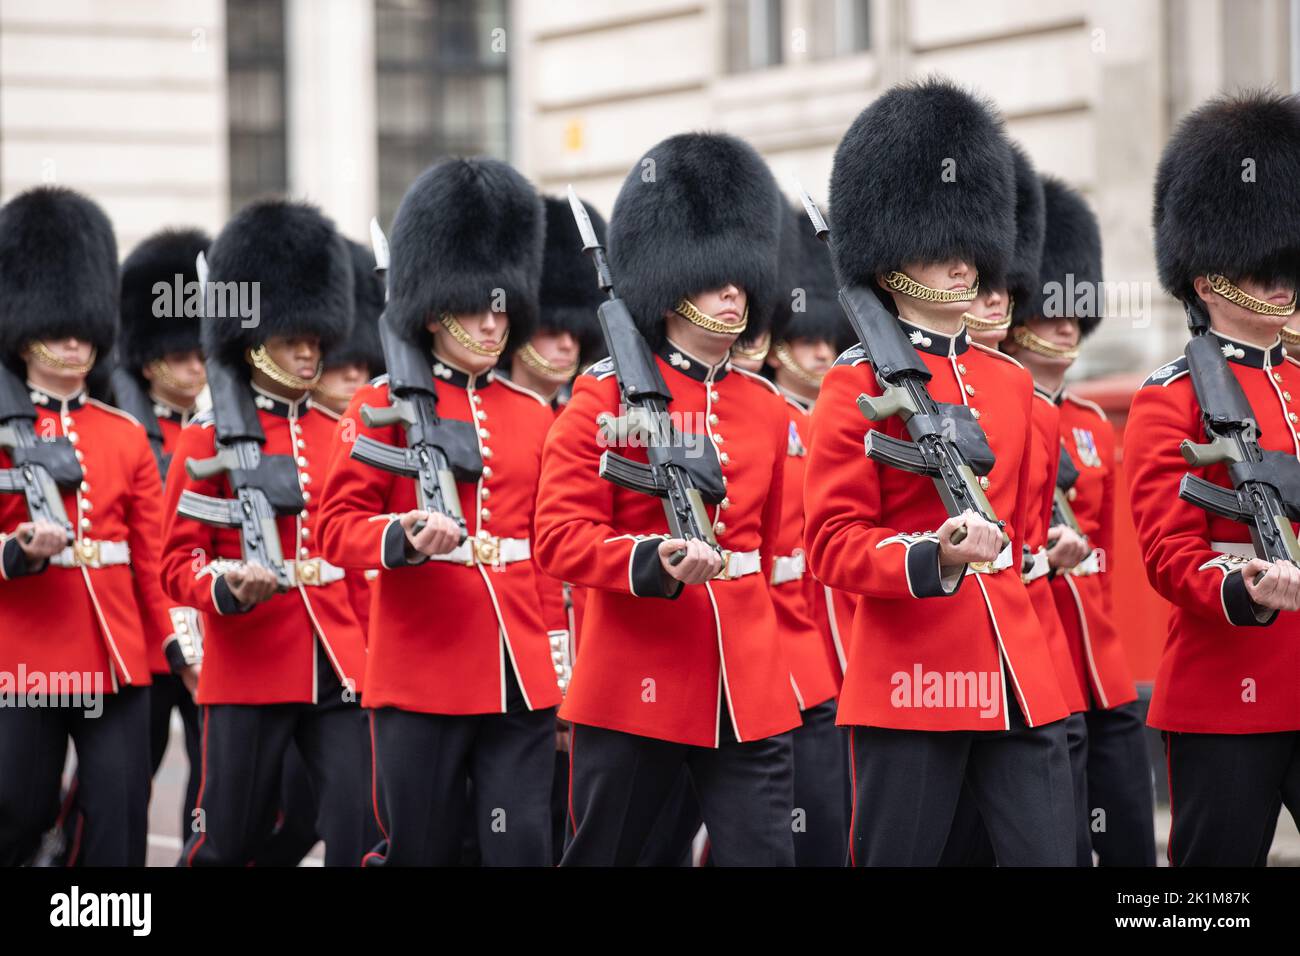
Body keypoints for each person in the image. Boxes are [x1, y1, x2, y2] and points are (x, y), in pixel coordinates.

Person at [805, 77, 1075, 866]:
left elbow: (1021, 537)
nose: (963, 268)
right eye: (939, 250)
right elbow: (830, 543)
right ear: (894, 264)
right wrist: (932, 555)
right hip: (913, 684)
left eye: (969, 249)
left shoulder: (1014, 386)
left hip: (1021, 680)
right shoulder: (852, 385)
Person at [535, 131, 801, 867]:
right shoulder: (601, 397)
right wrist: (650, 559)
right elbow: (558, 536)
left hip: (745, 685)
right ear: (672, 279)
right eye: (716, 278)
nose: (734, 293)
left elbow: (774, 550)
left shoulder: (766, 407)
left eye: (742, 279)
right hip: (633, 683)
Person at [319, 158, 563, 866]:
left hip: (517, 671)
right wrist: (403, 536)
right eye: (476, 310)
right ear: (433, 308)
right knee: (420, 851)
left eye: (501, 310)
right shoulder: (377, 407)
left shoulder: (532, 414)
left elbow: (547, 549)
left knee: (518, 848)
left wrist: (559, 661)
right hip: (422, 670)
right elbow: (336, 530)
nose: (493, 326)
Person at [160, 198, 374, 866]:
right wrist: (227, 587)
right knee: (228, 838)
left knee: (360, 825)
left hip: (337, 665)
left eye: (315, 337)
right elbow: (176, 564)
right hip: (250, 664)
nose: (310, 351)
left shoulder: (342, 434)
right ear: (254, 340)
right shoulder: (205, 436)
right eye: (292, 339)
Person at [1127, 89, 1300, 865]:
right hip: (1228, 696)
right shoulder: (1170, 397)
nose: (1278, 282)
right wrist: (1245, 587)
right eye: (1259, 267)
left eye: (1284, 263)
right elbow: (1169, 551)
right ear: (1206, 279)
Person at [0, 186, 166, 866]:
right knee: (18, 806)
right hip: (23, 655)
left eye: (82, 328)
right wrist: (15, 552)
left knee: (121, 813)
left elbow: (152, 558)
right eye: (57, 328)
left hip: (115, 657)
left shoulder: (124, 434)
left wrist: (178, 653)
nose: (73, 342)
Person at [1003, 175, 1157, 866]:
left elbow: (1110, 565)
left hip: (1106, 670)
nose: (1065, 322)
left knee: (1128, 843)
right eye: (1047, 308)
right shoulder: (996, 417)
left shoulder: (1092, 423)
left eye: (1075, 308)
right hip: (1041, 670)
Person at [948, 146, 1094, 867]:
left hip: (1022, 651)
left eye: (1006, 282)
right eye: (983, 284)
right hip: (925, 659)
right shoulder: (871, 383)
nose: (998, 296)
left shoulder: (1024, 397)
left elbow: (1026, 535)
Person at [117, 228, 211, 840]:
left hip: (206, 637)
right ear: (151, 362)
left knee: (210, 789)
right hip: (144, 647)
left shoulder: (209, 430)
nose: (198, 367)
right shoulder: (127, 432)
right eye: (183, 357)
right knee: (124, 788)